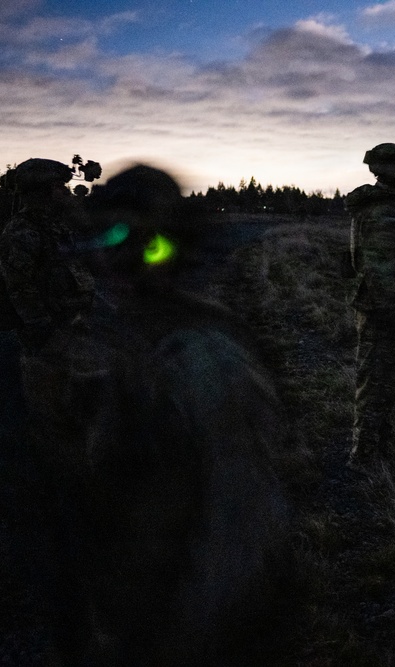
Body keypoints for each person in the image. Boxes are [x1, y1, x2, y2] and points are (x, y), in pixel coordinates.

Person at [40, 164, 297, 665]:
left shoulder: (203, 360)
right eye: (106, 238)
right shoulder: (140, 337)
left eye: (144, 242)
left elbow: (240, 545)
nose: (119, 259)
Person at [346, 142, 395, 466]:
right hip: (383, 311)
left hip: (384, 308)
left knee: (384, 381)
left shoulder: (387, 207)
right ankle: (364, 457)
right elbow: (380, 273)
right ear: (390, 171)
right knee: (376, 382)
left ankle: (377, 448)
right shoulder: (385, 213)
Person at [0, 158, 95, 353]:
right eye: (59, 186)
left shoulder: (57, 223)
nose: (66, 190)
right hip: (55, 332)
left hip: (78, 320)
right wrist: (46, 332)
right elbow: (20, 289)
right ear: (42, 192)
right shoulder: (21, 231)